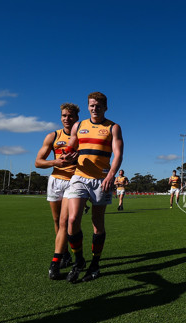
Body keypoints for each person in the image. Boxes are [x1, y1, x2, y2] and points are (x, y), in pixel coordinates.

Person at [64, 91, 124, 283]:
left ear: (105, 107)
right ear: (88, 106)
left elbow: (118, 154)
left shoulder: (113, 127)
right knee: (73, 220)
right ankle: (78, 260)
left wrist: (111, 175)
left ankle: (95, 263)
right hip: (79, 176)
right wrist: (67, 155)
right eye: (91, 105)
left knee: (97, 224)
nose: (94, 108)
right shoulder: (79, 125)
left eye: (98, 106)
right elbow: (71, 147)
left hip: (101, 179)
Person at [35, 103, 80, 279]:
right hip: (55, 181)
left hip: (73, 182)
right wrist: (56, 162)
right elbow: (38, 162)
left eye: (70, 116)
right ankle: (66, 254)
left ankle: (56, 260)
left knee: (65, 222)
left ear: (77, 118)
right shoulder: (53, 136)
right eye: (64, 116)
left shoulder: (82, 137)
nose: (66, 119)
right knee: (56, 220)